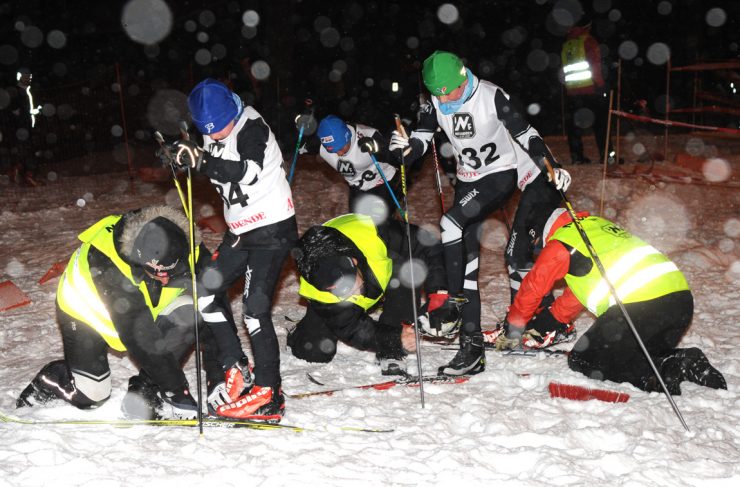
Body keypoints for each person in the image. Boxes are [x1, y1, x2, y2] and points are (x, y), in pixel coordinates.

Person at [389, 50, 571, 376]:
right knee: (468, 264)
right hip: (467, 180)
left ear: (462, 76)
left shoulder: (491, 95)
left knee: (450, 223)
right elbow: (422, 135)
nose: (444, 99)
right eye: (437, 93)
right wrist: (405, 148)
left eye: (449, 91)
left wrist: (552, 165)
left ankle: (452, 303)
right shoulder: (433, 98)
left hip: (499, 175)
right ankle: (470, 351)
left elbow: (526, 133)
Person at [496, 208, 727, 395]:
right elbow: (572, 301)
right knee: (630, 353)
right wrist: (542, 324)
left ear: (540, 236)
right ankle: (678, 361)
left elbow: (533, 287)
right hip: (679, 305)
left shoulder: (562, 242)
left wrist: (513, 327)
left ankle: (664, 369)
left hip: (643, 305)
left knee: (586, 360)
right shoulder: (595, 228)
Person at [16, 206, 217, 419]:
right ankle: (55, 378)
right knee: (92, 395)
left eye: (171, 271)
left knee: (194, 308)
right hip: (85, 314)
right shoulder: (107, 261)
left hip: (138, 311)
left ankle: (145, 390)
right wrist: (178, 392)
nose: (167, 279)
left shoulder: (186, 244)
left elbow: (215, 301)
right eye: (158, 272)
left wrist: (221, 373)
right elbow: (139, 334)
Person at [173, 78, 297, 422]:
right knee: (205, 292)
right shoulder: (213, 131)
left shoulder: (251, 126)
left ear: (233, 111)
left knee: (255, 309)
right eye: (207, 132)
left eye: (219, 128)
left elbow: (249, 172)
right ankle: (234, 364)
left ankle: (270, 393)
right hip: (240, 231)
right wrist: (177, 154)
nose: (214, 137)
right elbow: (203, 155)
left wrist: (203, 162)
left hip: (271, 228)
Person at [287, 213, 462, 375]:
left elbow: (429, 245)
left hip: (387, 271)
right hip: (338, 302)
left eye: (346, 287)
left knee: (407, 267)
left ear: (354, 262)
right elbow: (353, 328)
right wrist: (394, 337)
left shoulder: (376, 233)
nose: (345, 297)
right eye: (335, 291)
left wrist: (439, 293)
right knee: (314, 351)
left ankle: (396, 329)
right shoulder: (318, 289)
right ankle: (300, 333)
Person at [314, 115, 402, 226]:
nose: (339, 154)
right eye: (332, 150)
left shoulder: (369, 137)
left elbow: (398, 159)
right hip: (357, 186)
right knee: (356, 223)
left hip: (382, 182)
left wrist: (378, 149)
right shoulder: (321, 144)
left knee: (381, 225)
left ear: (348, 137)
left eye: (341, 147)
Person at [561, 22, 615, 165]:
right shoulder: (588, 41)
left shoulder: (567, 45)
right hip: (591, 90)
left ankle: (577, 157)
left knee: (575, 128)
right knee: (601, 125)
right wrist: (602, 85)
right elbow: (594, 66)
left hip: (573, 92)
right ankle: (608, 157)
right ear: (586, 27)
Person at [5, 71, 42, 186]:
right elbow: (13, 109)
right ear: (20, 77)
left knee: (27, 152)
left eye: (29, 76)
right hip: (20, 128)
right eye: (25, 76)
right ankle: (25, 175)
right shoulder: (15, 92)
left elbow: (32, 108)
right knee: (26, 152)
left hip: (30, 126)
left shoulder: (31, 91)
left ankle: (19, 174)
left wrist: (37, 111)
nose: (28, 78)